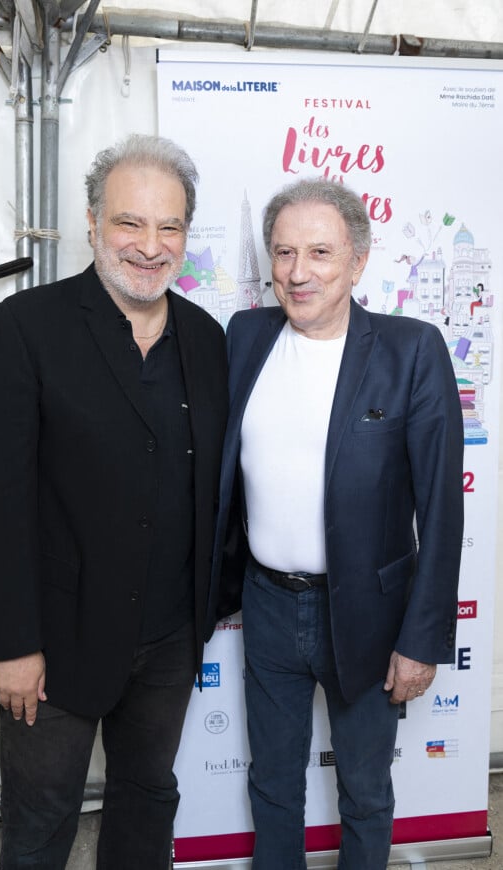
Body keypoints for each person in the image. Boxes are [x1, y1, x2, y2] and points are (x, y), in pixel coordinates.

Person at [0, 133, 228, 870]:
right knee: (43, 820)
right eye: (129, 222)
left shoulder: (207, 340)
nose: (150, 245)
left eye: (169, 225)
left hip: (171, 641)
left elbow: (217, 483)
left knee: (148, 803)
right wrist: (12, 644)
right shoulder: (27, 327)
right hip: (54, 645)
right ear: (90, 222)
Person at [211, 178, 464, 869]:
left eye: (319, 252)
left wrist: (421, 639)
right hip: (266, 604)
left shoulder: (411, 350)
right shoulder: (245, 335)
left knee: (365, 791)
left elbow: (443, 509)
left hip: (369, 614)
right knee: (272, 786)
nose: (297, 272)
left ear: (358, 260)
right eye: (284, 252)